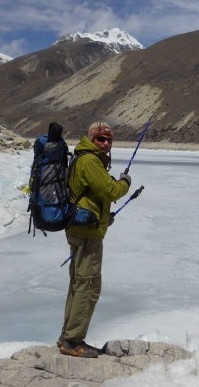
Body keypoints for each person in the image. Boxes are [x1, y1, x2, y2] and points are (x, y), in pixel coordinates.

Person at [58, 121, 131, 358]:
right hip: (86, 235)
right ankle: (73, 340)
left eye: (109, 139)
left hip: (82, 229)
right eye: (100, 139)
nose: (106, 143)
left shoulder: (84, 158)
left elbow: (92, 197)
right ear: (90, 139)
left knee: (78, 283)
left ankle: (67, 335)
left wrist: (104, 217)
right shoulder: (90, 161)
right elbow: (110, 191)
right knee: (88, 286)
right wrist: (125, 182)